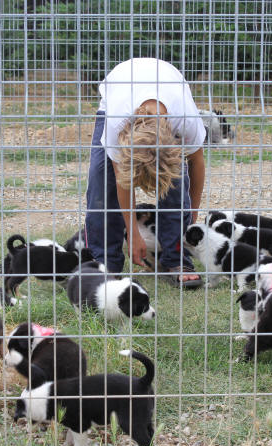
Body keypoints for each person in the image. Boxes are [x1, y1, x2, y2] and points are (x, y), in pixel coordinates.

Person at [85, 58, 206, 288]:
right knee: (101, 181)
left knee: (177, 184)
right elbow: (123, 181)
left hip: (169, 85)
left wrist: (192, 214)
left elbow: (197, 164)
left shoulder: (186, 121)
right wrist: (133, 234)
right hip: (119, 87)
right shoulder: (117, 123)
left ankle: (176, 258)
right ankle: (104, 263)